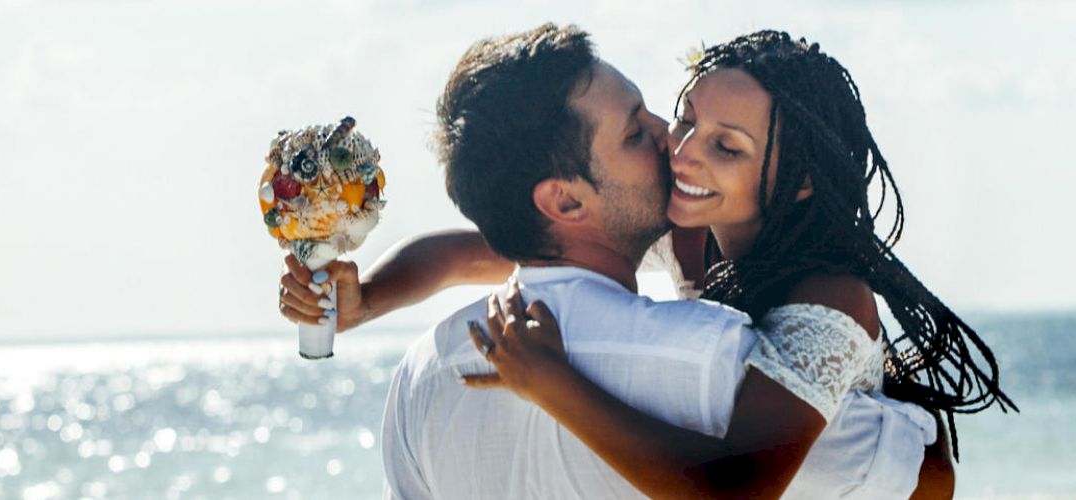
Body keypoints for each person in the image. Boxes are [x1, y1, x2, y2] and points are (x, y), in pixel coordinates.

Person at [294, 24, 951, 499]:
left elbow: (743, 486)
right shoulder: (687, 251)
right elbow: (462, 256)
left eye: (728, 147)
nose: (679, 147)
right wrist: (370, 296)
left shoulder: (826, 298)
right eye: (678, 121)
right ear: (564, 202)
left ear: (798, 178)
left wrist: (556, 386)